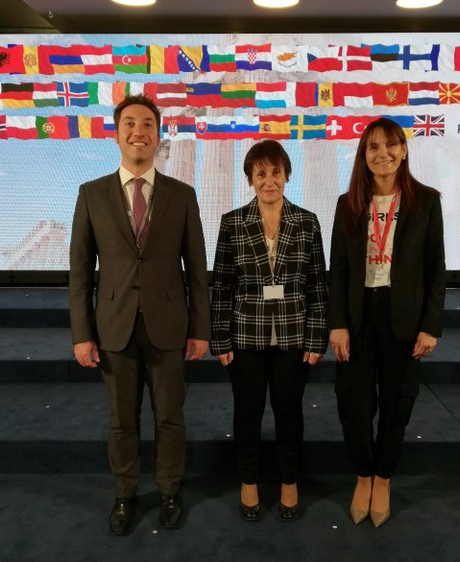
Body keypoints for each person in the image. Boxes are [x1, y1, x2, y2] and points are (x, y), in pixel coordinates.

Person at [69, 94, 210, 535]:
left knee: (170, 417)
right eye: (129, 123)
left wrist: (200, 329)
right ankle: (125, 493)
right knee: (121, 422)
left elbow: (197, 269)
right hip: (114, 328)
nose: (138, 131)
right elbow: (80, 271)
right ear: (116, 134)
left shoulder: (182, 195)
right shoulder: (90, 194)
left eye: (147, 123)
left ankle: (169, 490)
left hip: (169, 327)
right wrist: (81, 333)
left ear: (158, 134)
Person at [329, 118, 446, 528]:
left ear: (404, 150)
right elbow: (339, 269)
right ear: (364, 154)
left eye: (391, 145)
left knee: (397, 406)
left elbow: (436, 269)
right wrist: (337, 324)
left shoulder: (426, 201)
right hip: (358, 317)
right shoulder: (348, 203)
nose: (383, 154)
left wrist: (431, 326)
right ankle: (363, 474)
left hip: (404, 320)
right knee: (355, 406)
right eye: (374, 147)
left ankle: (383, 477)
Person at [210, 140, 328, 522]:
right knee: (247, 413)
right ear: (250, 178)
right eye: (261, 173)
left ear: (286, 175)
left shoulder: (307, 222)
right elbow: (222, 285)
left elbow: (317, 284)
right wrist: (220, 339)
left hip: (294, 337)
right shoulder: (232, 223)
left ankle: (289, 482)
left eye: (276, 172)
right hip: (245, 336)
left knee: (289, 413)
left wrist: (317, 338)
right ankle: (248, 482)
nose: (269, 181)